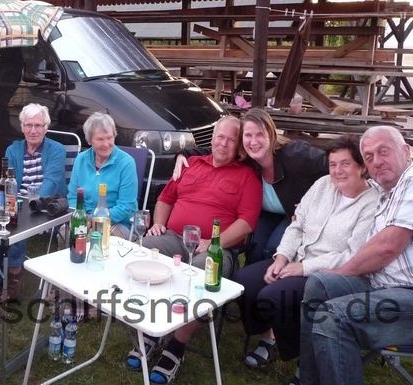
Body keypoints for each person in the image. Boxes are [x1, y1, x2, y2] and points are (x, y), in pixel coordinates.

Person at [130, 116, 262, 384]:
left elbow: (247, 222)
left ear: (238, 146)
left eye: (231, 140)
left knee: (202, 271)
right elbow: (166, 198)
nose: (223, 143)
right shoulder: (191, 164)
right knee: (144, 250)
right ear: (212, 138)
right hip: (174, 237)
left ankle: (176, 345)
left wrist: (214, 242)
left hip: (216, 247)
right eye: (220, 137)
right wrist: (158, 223)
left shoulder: (247, 176)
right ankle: (153, 329)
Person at [234, 136, 378, 380]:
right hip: (295, 258)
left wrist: (303, 268)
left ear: (362, 167)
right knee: (243, 282)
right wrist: (281, 257)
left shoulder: (371, 203)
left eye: (345, 164)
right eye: (333, 164)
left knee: (275, 296)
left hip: (326, 274)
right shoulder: (323, 184)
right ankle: (269, 338)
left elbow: (352, 255)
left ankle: (304, 358)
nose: (337, 171)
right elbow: (297, 224)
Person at [299, 126, 413, 385]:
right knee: (319, 283)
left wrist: (342, 271)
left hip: (407, 293)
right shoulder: (385, 191)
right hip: (379, 284)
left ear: (406, 151)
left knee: (334, 316)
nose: (377, 161)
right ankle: (307, 379)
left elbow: (388, 246)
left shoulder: (411, 181)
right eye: (369, 157)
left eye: (383, 151)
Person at [174, 108, 328, 262]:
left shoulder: (296, 154)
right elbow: (216, 149)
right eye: (248, 135)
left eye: (260, 134)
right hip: (268, 214)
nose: (253, 142)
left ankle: (279, 274)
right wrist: (183, 154)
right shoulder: (247, 157)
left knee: (272, 249)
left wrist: (311, 205)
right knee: (255, 251)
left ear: (271, 134)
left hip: (295, 214)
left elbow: (334, 165)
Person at [0, 103, 66, 309]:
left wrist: (32, 204)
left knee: (15, 220)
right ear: (22, 127)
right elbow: (9, 181)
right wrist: (14, 203)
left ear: (46, 128)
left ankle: (14, 274)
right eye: (29, 125)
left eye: (38, 125)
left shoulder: (57, 150)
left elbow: (52, 182)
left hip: (47, 206)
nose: (33, 130)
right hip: (17, 201)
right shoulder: (13, 150)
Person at [67, 112, 138, 239]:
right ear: (89, 140)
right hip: (85, 219)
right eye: (100, 139)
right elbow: (73, 197)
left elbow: (126, 206)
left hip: (117, 223)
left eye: (110, 138)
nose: (106, 144)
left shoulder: (127, 163)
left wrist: (95, 220)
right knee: (66, 232)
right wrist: (82, 218)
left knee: (93, 238)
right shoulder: (81, 160)